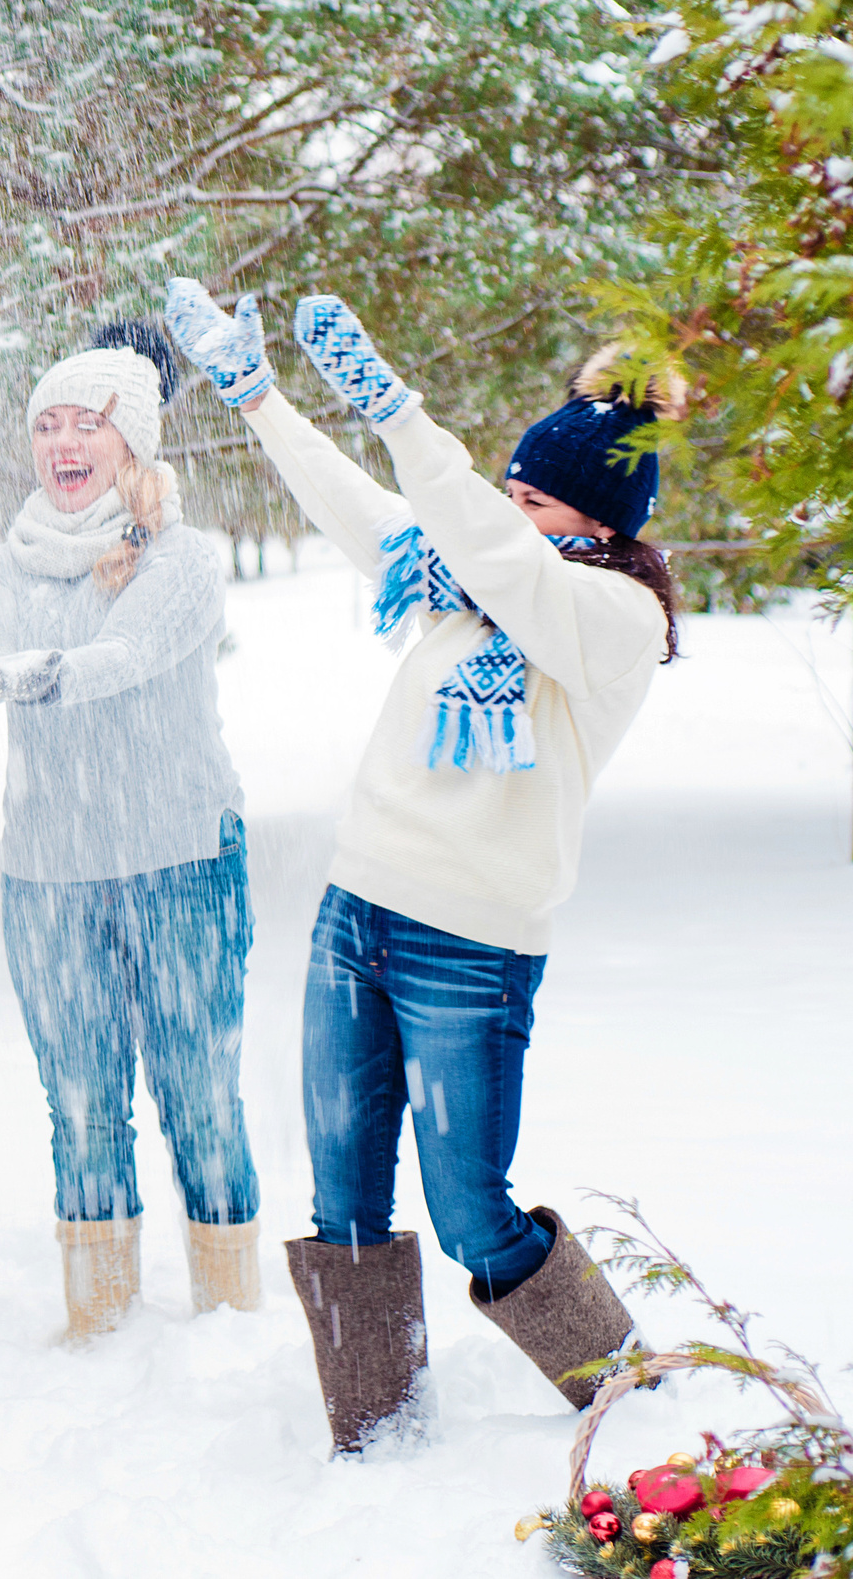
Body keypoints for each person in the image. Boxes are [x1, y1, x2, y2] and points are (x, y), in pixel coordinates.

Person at [164, 279, 676, 1454]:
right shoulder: (464, 584)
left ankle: (629, 1394)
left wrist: (398, 408)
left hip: (473, 947)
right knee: (342, 1202)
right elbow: (368, 511)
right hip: (358, 917)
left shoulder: (604, 620)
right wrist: (260, 400)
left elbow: (501, 556)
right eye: (500, 489)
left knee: (471, 1215)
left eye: (526, 495)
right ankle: (376, 1428)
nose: (498, 510)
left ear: (591, 518)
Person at [0, 324, 260, 1344]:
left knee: (197, 1093)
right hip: (50, 871)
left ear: (131, 442)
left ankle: (231, 1315)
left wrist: (13, 674)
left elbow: (112, 660)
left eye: (87, 422)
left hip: (180, 858)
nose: (62, 441)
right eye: (46, 424)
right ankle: (100, 1320)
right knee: (79, 1097)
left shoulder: (185, 560)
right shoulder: (6, 568)